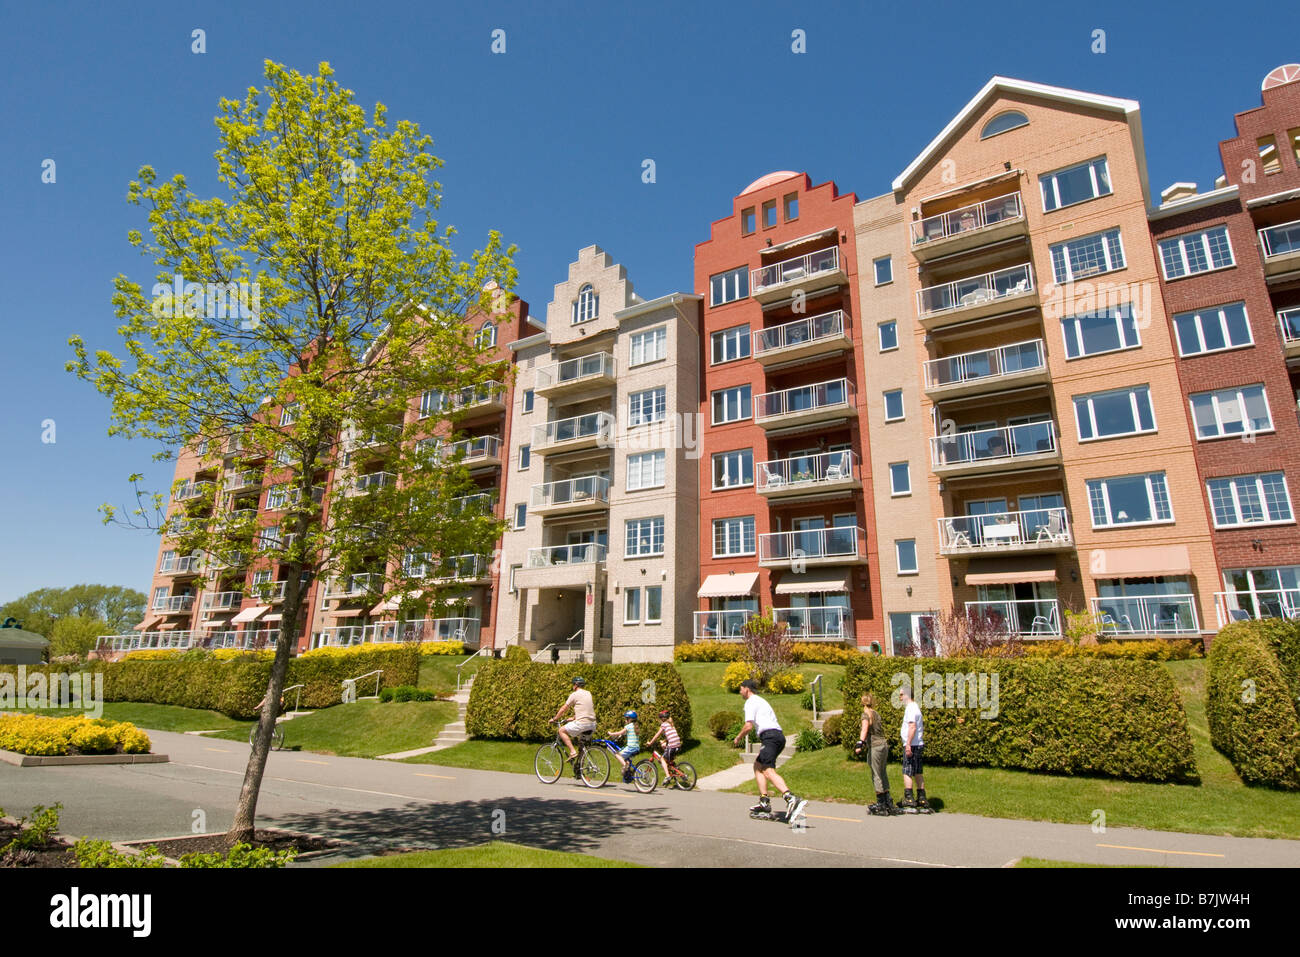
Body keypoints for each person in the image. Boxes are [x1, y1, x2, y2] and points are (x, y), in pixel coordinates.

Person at [733, 679, 806, 820]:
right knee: (758, 765)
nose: (740, 691)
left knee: (767, 770)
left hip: (770, 736)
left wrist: (738, 737)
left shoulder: (750, 702)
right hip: (777, 736)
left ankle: (790, 797)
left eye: (741, 689)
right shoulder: (761, 700)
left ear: (747, 689)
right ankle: (764, 801)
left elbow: (748, 726)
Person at [853, 693, 894, 813]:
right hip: (883, 745)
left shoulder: (866, 714)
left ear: (862, 703)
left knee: (876, 774)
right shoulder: (876, 713)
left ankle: (881, 803)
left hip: (875, 747)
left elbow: (864, 728)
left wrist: (860, 742)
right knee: (882, 772)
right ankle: (887, 800)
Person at [551, 675, 596, 779]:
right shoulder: (588, 693)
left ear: (576, 685)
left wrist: (555, 718)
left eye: (573, 684)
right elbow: (586, 709)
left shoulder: (574, 695)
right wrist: (574, 718)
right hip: (592, 724)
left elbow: (563, 709)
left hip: (582, 723)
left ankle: (572, 752)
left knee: (561, 730)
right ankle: (579, 770)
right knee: (582, 747)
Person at [898, 684, 926, 808]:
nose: (900, 697)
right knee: (918, 771)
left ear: (907, 695)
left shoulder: (910, 708)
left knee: (907, 771)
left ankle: (909, 798)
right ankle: (922, 798)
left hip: (912, 745)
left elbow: (912, 726)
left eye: (901, 694)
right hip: (918, 743)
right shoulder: (916, 707)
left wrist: (908, 744)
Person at [645, 708, 682, 783]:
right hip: (678, 745)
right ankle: (671, 767)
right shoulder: (671, 724)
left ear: (662, 718)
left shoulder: (664, 725)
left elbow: (656, 735)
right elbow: (672, 736)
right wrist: (664, 741)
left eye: (660, 718)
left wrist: (650, 743)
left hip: (672, 746)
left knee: (662, 759)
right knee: (664, 746)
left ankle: (668, 776)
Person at [608, 710, 641, 781]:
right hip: (637, 748)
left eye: (626, 719)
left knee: (617, 754)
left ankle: (625, 765)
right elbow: (624, 734)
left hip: (631, 748)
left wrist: (612, 734)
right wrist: (619, 736)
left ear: (630, 719)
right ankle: (627, 773)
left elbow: (621, 732)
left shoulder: (628, 726)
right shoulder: (636, 726)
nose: (625, 720)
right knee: (626, 759)